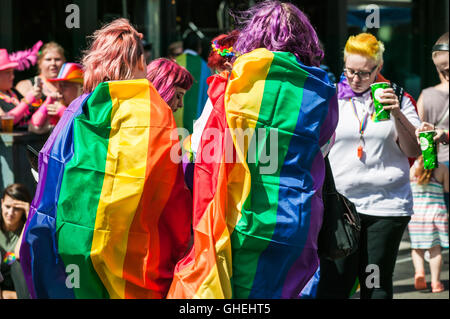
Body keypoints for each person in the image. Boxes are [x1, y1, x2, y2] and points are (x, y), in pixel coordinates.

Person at [167, 0, 338, 299]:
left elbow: (200, 151)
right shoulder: (322, 90)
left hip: (241, 220)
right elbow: (323, 148)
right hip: (298, 221)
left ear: (253, 36)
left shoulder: (231, 84)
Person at [20, 18, 192, 299]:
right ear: (138, 61)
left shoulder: (79, 107)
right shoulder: (153, 111)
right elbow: (167, 187)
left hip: (75, 244)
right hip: (132, 253)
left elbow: (51, 170)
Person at [317, 33, 422, 299]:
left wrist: (397, 112)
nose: (356, 78)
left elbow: (413, 149)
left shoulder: (397, 96)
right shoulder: (331, 97)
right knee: (333, 285)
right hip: (341, 208)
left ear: (378, 68)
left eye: (365, 73)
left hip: (386, 208)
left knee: (375, 283)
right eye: (351, 71)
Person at [416, 32, 449, 211]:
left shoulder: (426, 95)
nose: (446, 76)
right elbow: (418, 133)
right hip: (434, 171)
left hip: (432, 170)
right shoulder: (428, 94)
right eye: (440, 70)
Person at [408, 155, 448, 293]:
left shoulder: (412, 168)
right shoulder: (442, 168)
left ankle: (419, 272)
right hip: (436, 214)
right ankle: (436, 283)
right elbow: (447, 189)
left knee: (417, 248)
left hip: (416, 215)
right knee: (435, 249)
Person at [173, 31, 212, 134]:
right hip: (197, 120)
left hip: (175, 119)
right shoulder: (205, 66)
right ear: (199, 48)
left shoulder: (174, 63)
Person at [29, 62, 83, 132]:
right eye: (58, 85)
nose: (59, 89)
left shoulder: (86, 106)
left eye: (64, 86)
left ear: (80, 88)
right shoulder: (58, 105)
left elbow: (81, 129)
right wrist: (47, 104)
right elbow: (35, 125)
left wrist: (63, 112)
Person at [0, 183, 32, 299]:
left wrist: (29, 218)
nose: (10, 213)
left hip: (20, 285)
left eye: (17, 208)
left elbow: (18, 255)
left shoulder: (27, 229)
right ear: (2, 203)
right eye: (8, 206)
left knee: (18, 263)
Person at [0, 48, 42, 131]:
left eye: (12, 72)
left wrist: (38, 100)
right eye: (8, 72)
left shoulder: (14, 92)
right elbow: (2, 122)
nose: (12, 77)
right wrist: (27, 100)